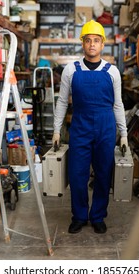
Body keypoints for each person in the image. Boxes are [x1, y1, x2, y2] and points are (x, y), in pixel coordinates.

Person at [52, 20, 128, 234]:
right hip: (80, 127)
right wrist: (57, 130)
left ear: (102, 44)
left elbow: (118, 104)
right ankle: (79, 216)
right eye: (88, 40)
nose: (92, 44)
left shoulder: (112, 71)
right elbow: (61, 101)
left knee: (103, 174)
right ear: (82, 44)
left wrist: (123, 134)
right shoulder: (70, 70)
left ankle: (97, 216)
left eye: (96, 40)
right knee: (77, 174)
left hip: (105, 127)